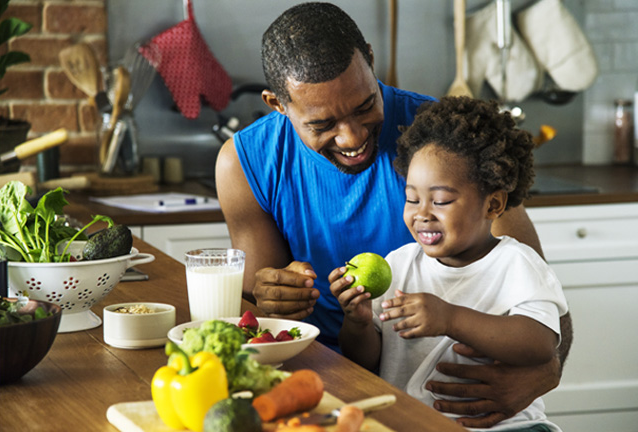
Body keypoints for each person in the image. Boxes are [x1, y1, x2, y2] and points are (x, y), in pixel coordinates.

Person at [215, 2, 573, 428]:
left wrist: (542, 374)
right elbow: (261, 318)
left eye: (365, 105)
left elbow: (543, 302)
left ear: (370, 58)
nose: (352, 137)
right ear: (278, 104)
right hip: (318, 382)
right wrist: (271, 295)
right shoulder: (245, 163)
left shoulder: (442, 144)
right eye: (322, 123)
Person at [329, 96, 568, 431]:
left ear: (493, 204)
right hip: (413, 424)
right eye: (412, 198)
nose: (422, 214)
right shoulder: (399, 264)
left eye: (441, 200)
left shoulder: (516, 264)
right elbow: (366, 361)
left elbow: (540, 344)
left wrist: (450, 318)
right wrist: (357, 322)